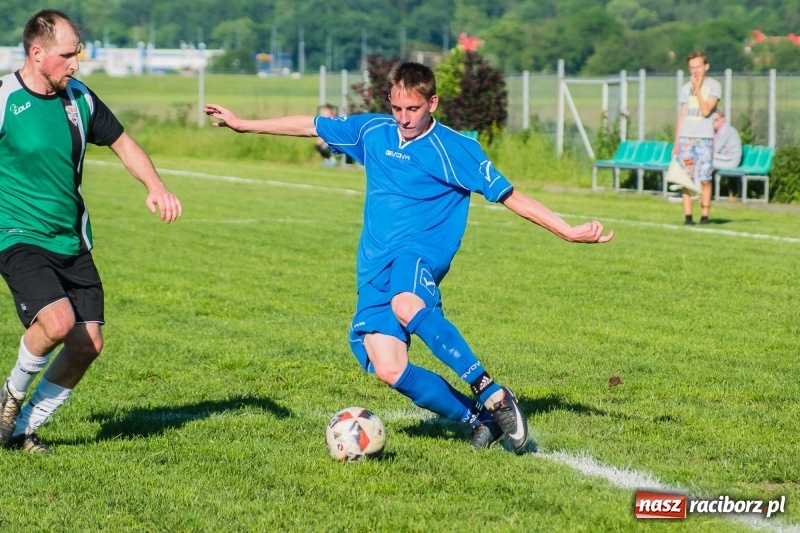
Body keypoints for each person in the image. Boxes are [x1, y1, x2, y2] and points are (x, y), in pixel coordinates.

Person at [204, 61, 613, 454]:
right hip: (373, 266)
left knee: (406, 303)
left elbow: (511, 196)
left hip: (420, 254)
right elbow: (311, 125)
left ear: (432, 103)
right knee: (389, 367)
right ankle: (479, 419)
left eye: (413, 109)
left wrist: (567, 230)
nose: (404, 117)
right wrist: (242, 123)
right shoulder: (373, 131)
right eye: (397, 108)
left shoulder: (456, 148)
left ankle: (492, 392)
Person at [0, 9, 183, 453]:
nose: (76, 64)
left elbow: (122, 142)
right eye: (67, 55)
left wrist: (155, 185)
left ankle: (23, 427)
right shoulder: (4, 97)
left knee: (89, 344)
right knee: (58, 322)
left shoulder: (79, 97)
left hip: (72, 239)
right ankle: (10, 396)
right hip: (18, 234)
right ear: (37, 53)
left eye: (77, 54)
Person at [673, 51, 721, 225]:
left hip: (704, 139)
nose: (695, 71)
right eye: (692, 68)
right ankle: (688, 216)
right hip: (687, 138)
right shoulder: (685, 89)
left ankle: (705, 214)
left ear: (706, 67)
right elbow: (682, 115)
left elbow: (706, 110)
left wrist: (698, 89)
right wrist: (676, 142)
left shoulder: (714, 86)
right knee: (686, 177)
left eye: (698, 67)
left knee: (705, 177)